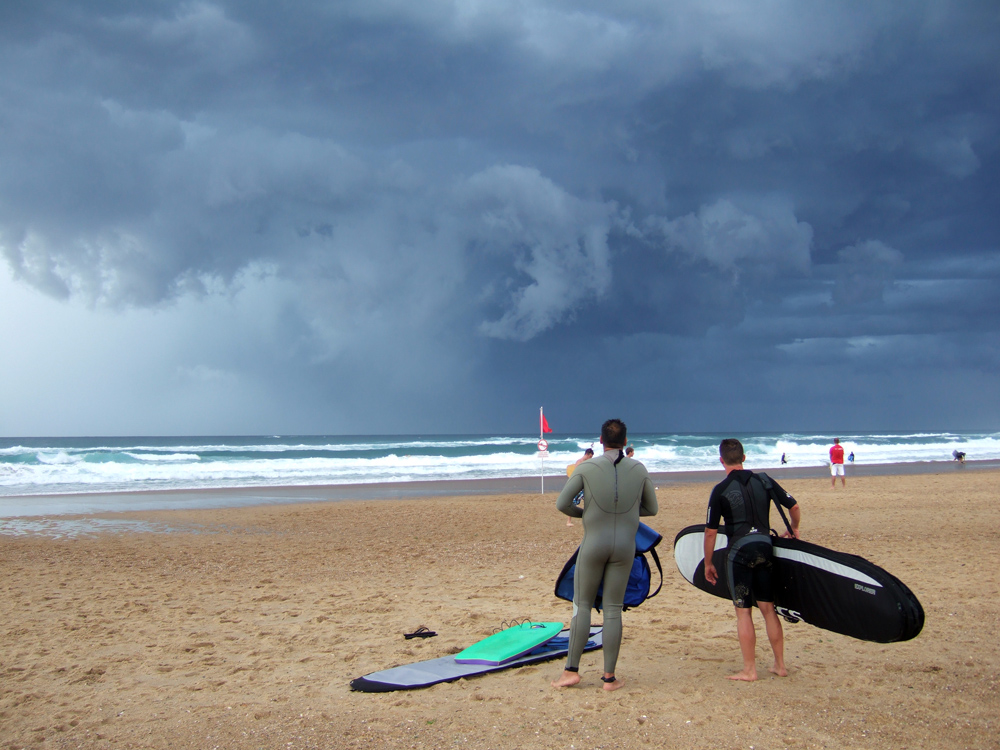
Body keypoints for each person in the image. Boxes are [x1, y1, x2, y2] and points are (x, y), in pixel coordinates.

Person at [552, 419, 658, 692]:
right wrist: (626, 513)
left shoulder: (586, 467)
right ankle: (609, 678)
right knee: (613, 609)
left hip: (594, 543)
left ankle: (571, 671)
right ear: (625, 442)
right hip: (624, 547)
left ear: (600, 440)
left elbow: (562, 503)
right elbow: (652, 508)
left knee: (582, 605)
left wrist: (586, 513)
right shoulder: (638, 468)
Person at [703, 439, 801, 681]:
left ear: (721, 460)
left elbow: (710, 532)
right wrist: (794, 530)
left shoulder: (720, 490)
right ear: (744, 458)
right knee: (768, 609)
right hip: (765, 549)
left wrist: (708, 563)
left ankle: (750, 670)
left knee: (743, 612)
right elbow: (794, 506)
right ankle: (780, 665)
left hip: (739, 553)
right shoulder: (764, 480)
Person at [566, 448, 595, 526]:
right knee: (573, 502)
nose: (591, 458)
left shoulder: (587, 462)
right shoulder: (579, 462)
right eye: (591, 456)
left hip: (584, 485)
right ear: (588, 454)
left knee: (589, 501)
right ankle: (568, 521)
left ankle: (589, 519)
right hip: (579, 486)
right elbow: (578, 474)